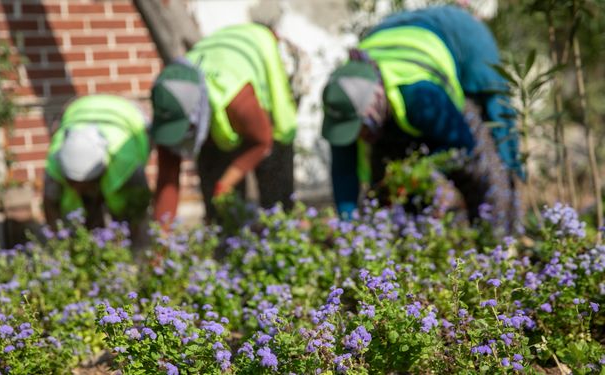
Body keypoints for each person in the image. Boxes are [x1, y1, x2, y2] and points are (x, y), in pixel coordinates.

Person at [321, 6, 522, 235]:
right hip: (390, 36)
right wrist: (350, 231)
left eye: (361, 128)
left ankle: (503, 238)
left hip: (462, 37)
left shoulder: (420, 96)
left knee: (491, 152)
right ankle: (413, 246)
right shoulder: (341, 101)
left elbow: (463, 142)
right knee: (390, 176)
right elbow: (344, 172)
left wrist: (420, 172)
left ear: (376, 103)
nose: (358, 137)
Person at [151, 23, 298, 225]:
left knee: (274, 177)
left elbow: (262, 141)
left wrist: (225, 183)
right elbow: (167, 179)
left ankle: (280, 229)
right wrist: (160, 244)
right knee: (219, 211)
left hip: (257, 49)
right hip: (215, 64)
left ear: (196, 112)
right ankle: (228, 240)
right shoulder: (167, 103)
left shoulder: (237, 99)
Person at [43, 94, 151, 242]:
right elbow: (50, 202)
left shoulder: (126, 158)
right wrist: (59, 241)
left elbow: (140, 201)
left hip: (125, 113)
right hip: (77, 109)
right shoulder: (56, 158)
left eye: (85, 186)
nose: (80, 190)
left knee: (123, 208)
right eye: (74, 184)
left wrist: (129, 238)